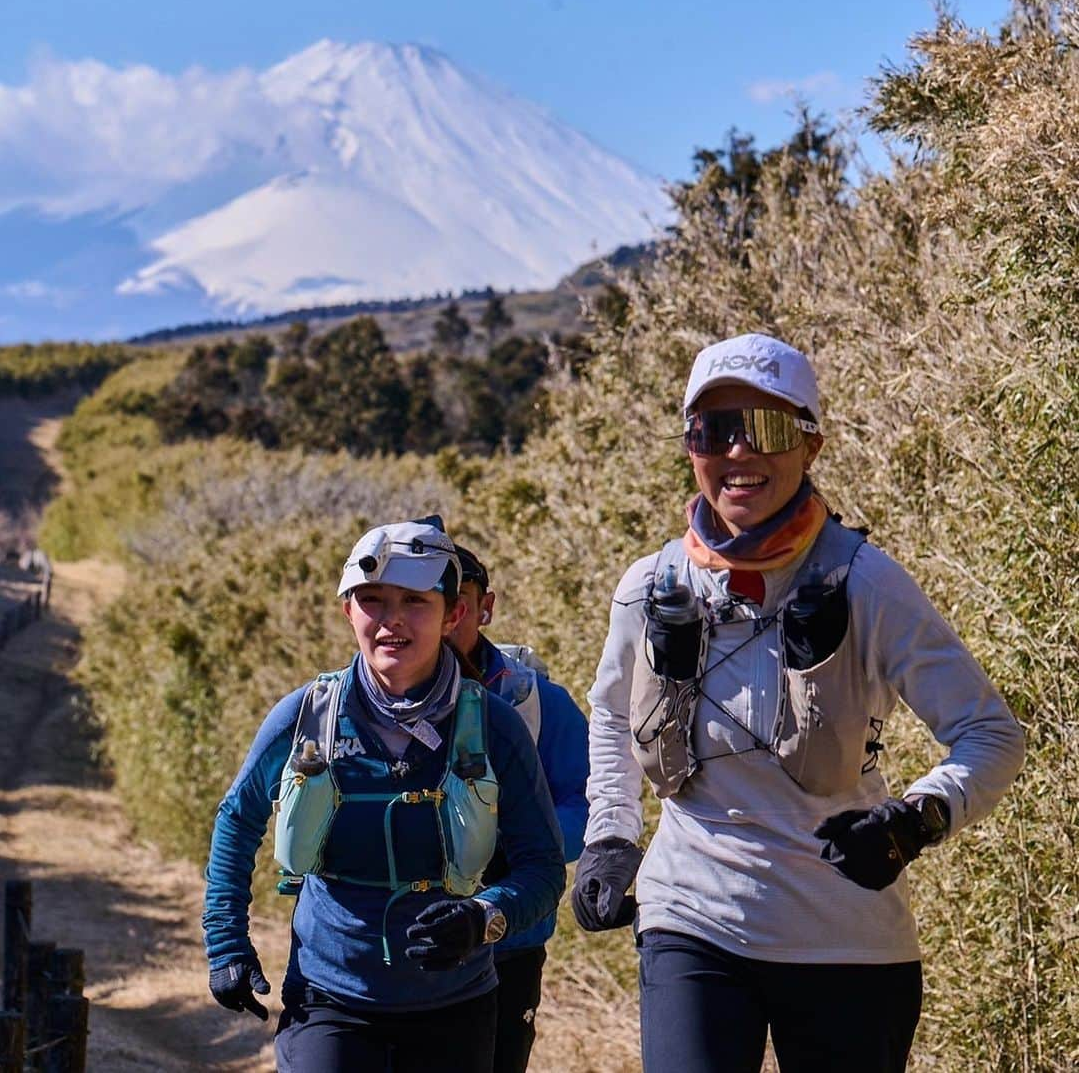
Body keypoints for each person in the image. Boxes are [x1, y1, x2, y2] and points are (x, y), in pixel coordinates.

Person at [571, 333, 1025, 1073]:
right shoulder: (651, 586)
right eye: (714, 431)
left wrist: (919, 818)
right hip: (690, 916)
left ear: (812, 444)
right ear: (691, 446)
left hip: (845, 941)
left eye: (769, 429)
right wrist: (613, 837)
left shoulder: (867, 584)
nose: (738, 453)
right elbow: (615, 718)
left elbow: (989, 733)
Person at [203, 517, 566, 1073]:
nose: (392, 620)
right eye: (372, 599)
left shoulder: (495, 725)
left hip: (457, 1006)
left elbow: (542, 867)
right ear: (348, 610)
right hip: (328, 998)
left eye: (415, 601)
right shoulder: (307, 715)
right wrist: (227, 943)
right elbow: (237, 817)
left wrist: (483, 917)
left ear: (455, 614)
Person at [450, 543, 589, 1073]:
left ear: (484, 606)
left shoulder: (537, 701)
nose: (445, 615)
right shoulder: (372, 697)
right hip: (400, 944)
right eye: (424, 599)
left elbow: (588, 801)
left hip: (509, 938)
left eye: (457, 599)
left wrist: (525, 844)